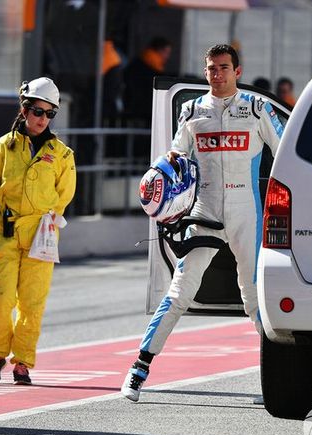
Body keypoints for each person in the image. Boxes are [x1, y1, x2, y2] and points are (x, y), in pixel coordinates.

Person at [121, 44, 285, 402]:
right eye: (211, 68)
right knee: (180, 291)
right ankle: (138, 369)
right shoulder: (191, 111)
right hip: (206, 212)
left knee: (254, 299)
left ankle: (277, 375)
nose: (217, 74)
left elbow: (285, 153)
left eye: (224, 68)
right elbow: (174, 157)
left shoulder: (257, 109)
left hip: (247, 213)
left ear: (237, 72)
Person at [0, 77, 76, 385]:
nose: (42, 119)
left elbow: (64, 194)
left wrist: (49, 217)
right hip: (6, 231)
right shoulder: (2, 148)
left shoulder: (63, 154)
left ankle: (23, 361)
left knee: (33, 301)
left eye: (49, 114)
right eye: (37, 111)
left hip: (42, 234)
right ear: (24, 109)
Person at [123, 37, 173, 125]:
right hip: (142, 110)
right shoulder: (152, 69)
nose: (168, 57)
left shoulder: (140, 62)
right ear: (159, 50)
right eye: (166, 52)